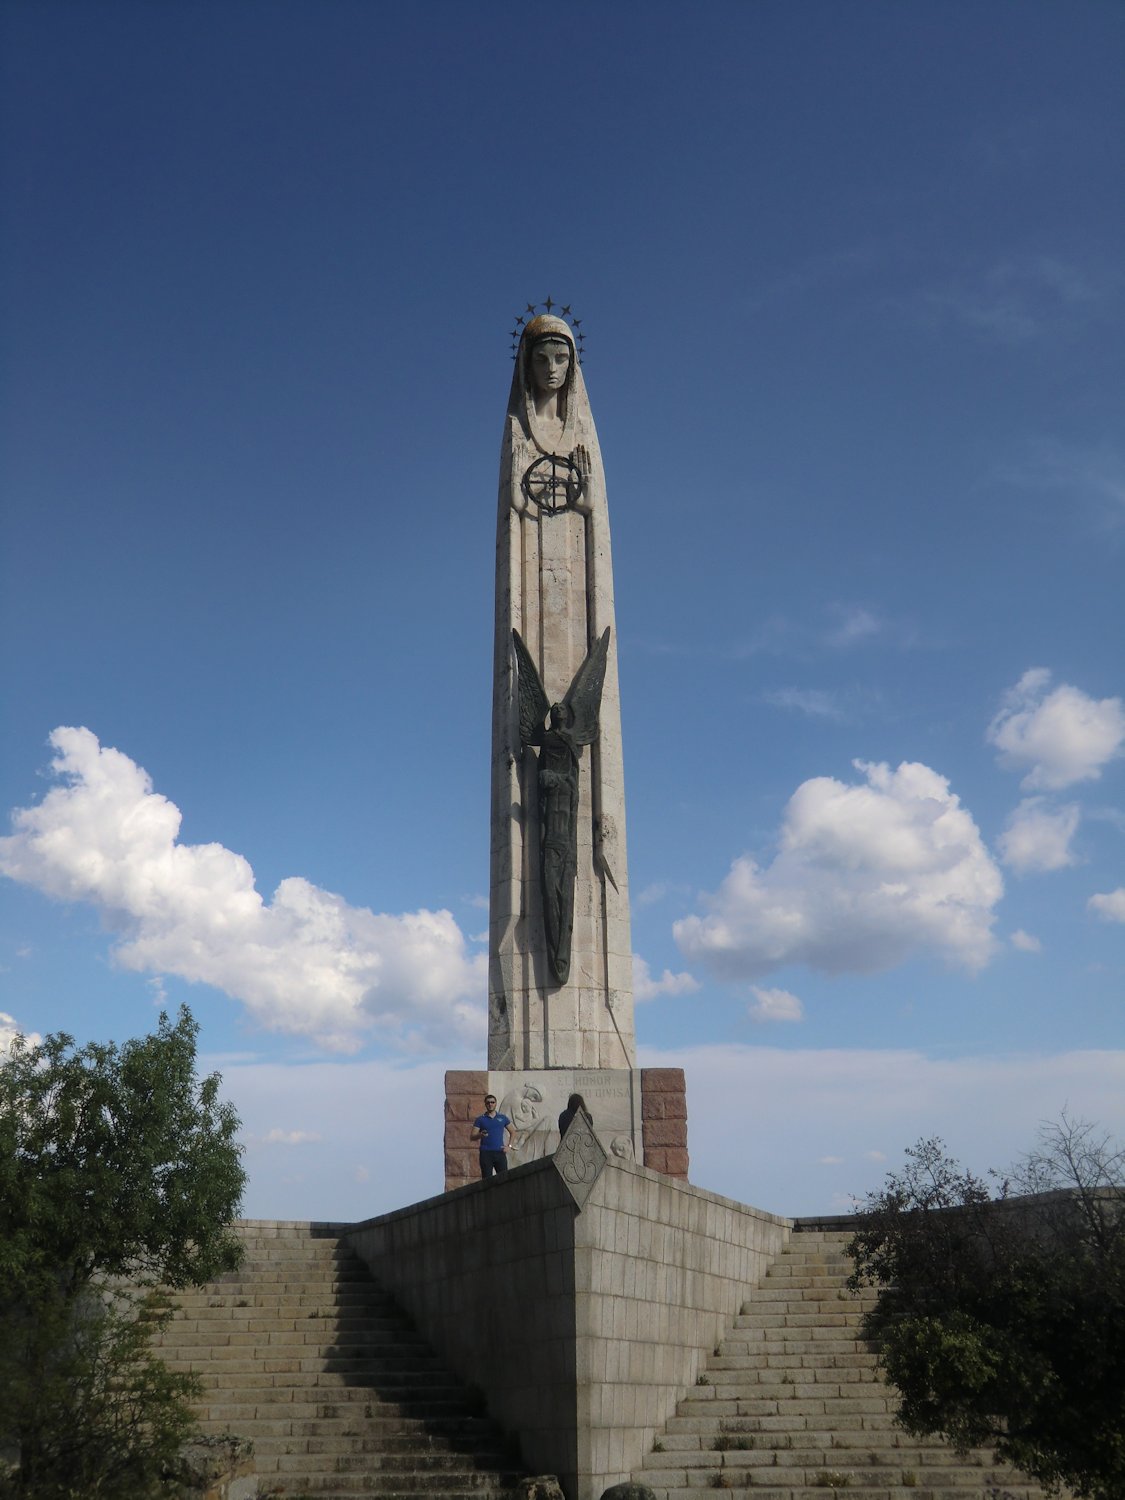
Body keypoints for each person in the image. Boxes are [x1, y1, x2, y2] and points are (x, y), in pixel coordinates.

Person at [470, 1093, 515, 1179]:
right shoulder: (480, 1119)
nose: (490, 1104)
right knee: (487, 1180)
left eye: (492, 1102)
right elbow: (472, 1136)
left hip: (500, 1152)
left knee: (504, 1178)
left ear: (495, 1103)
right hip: (486, 1153)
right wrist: (480, 1135)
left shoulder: (502, 1118)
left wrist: (509, 1146)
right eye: (488, 1103)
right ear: (485, 1104)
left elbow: (513, 1132)